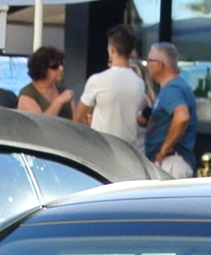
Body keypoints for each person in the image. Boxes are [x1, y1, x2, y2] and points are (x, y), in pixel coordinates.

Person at [74, 24, 148, 141]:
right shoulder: (139, 83)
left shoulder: (98, 80)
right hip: (128, 148)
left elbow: (78, 118)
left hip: (103, 146)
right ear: (131, 51)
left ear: (112, 49)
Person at [143, 41, 198, 178]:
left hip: (171, 163)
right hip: (172, 162)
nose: (147, 65)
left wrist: (164, 149)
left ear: (160, 65)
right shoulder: (175, 87)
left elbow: (182, 117)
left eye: (150, 61)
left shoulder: (172, 89)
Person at [17, 44, 72, 118]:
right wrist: (58, 102)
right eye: (54, 66)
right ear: (42, 68)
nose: (61, 68)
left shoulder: (63, 92)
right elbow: (40, 123)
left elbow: (75, 121)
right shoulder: (28, 94)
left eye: (61, 64)